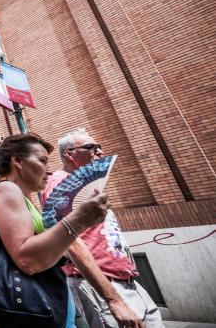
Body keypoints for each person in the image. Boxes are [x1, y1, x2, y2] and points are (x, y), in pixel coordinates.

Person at [0, 133, 109, 328]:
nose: (49, 171)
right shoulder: (7, 190)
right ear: (17, 160)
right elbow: (26, 258)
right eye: (42, 160)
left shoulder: (23, 200)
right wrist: (78, 220)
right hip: (25, 312)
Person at [40, 129, 163, 328]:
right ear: (69, 154)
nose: (99, 152)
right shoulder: (59, 182)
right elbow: (68, 241)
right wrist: (113, 300)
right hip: (100, 284)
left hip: (127, 281)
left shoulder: (89, 185)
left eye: (99, 147)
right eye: (90, 147)